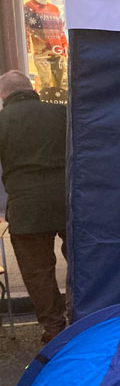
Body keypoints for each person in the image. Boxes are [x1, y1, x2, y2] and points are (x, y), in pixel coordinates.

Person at [0, 70, 68, 342]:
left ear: (4, 95)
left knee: (38, 272)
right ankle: (82, 319)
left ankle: (53, 329)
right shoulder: (62, 114)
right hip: (67, 201)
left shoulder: (2, 121)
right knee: (80, 263)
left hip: (26, 208)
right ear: (31, 88)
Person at [24, 0, 68, 91]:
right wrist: (27, 49)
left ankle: (60, 106)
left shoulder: (54, 9)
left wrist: (65, 48)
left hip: (58, 52)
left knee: (61, 83)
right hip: (42, 52)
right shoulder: (29, 7)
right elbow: (25, 29)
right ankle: (44, 105)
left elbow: (60, 31)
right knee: (46, 83)